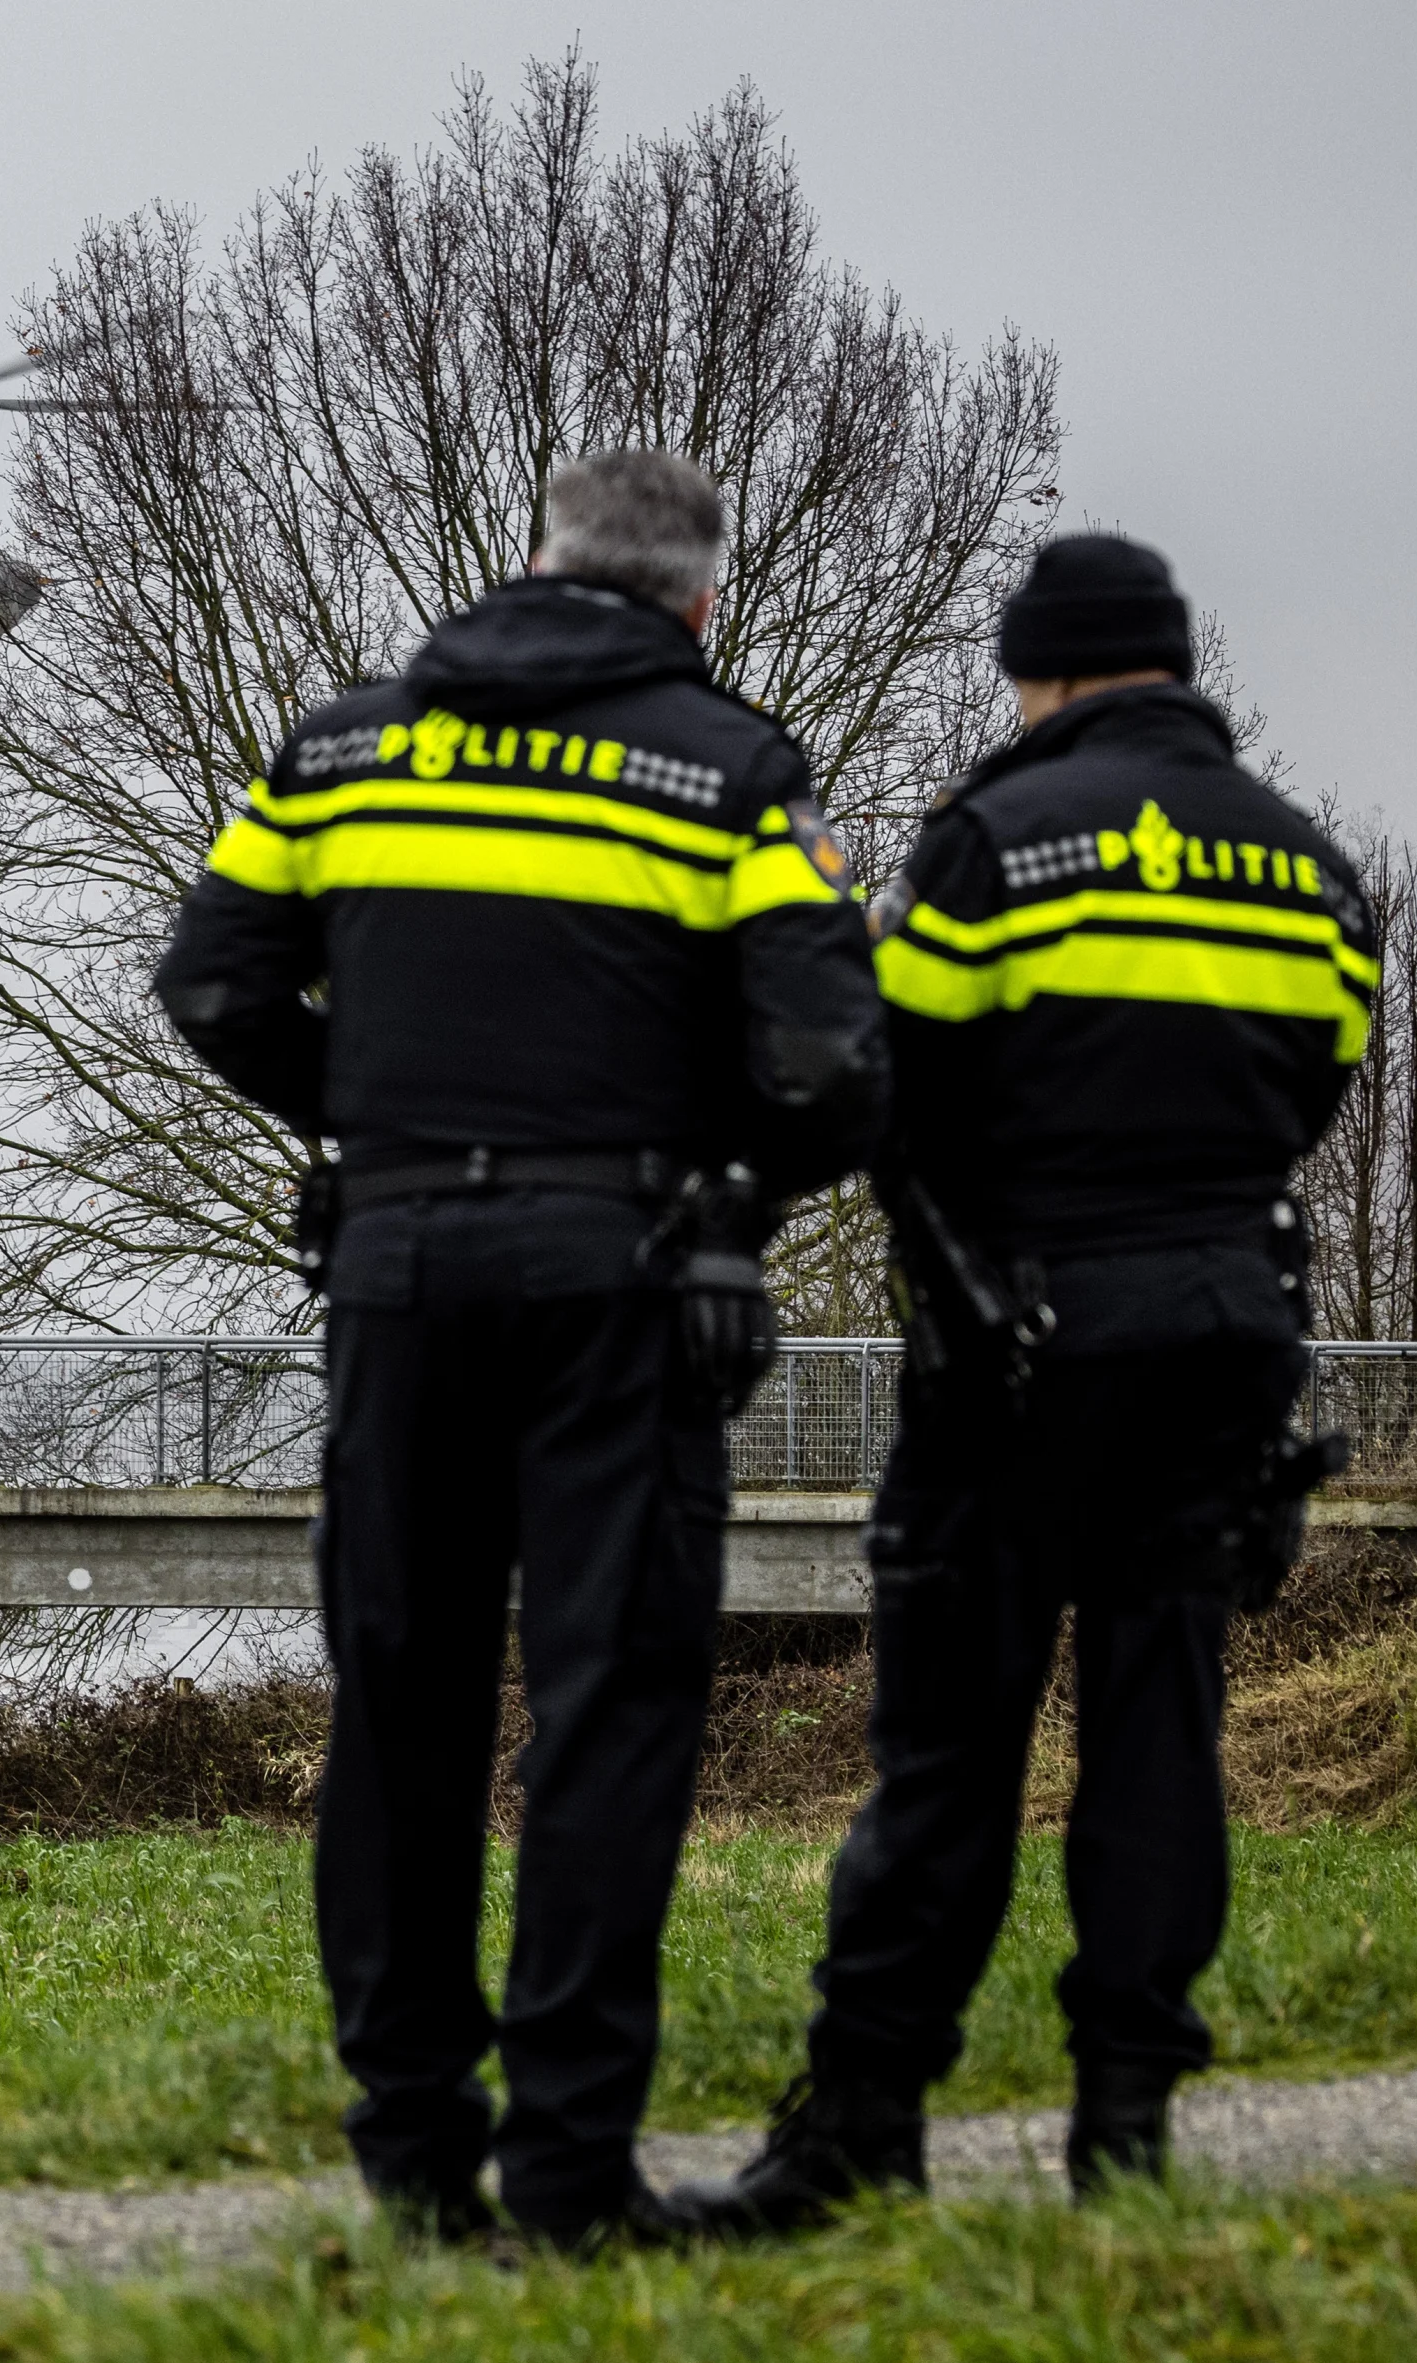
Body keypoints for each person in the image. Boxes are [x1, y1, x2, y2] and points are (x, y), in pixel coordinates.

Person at [154, 450, 887, 2250]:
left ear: (532, 558)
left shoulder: (342, 751)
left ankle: (413, 2156)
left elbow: (212, 983)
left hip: (399, 1269)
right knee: (609, 1710)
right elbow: (830, 1065)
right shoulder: (727, 772)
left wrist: (378, 1121)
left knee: (399, 1700)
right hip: (618, 1278)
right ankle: (568, 2175)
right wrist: (717, 1183)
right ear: (698, 600)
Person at [675, 536, 1374, 2233]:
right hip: (1227, 1337)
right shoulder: (1308, 869)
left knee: (951, 1747)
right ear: (1175, 667)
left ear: (1042, 672)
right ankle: (1124, 2131)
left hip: (1021, 1347)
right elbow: (1316, 1088)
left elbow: (884, 1083)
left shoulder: (993, 844)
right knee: (1161, 1728)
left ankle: (864, 2124)